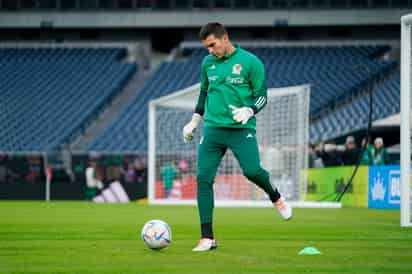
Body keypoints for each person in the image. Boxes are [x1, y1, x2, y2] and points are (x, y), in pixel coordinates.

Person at [182, 22, 292, 252]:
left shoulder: (251, 62)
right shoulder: (207, 63)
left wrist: (250, 110)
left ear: (225, 38)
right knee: (203, 178)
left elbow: (262, 96)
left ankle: (276, 196)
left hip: (241, 129)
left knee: (252, 171)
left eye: (212, 45)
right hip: (212, 129)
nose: (210, 51)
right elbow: (204, 93)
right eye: (206, 47)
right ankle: (207, 238)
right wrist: (194, 121)